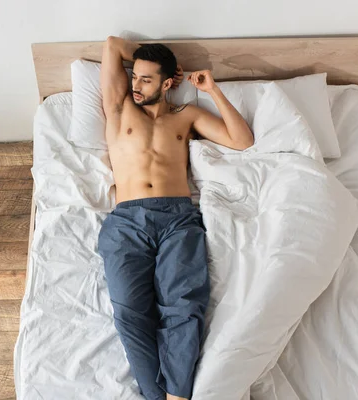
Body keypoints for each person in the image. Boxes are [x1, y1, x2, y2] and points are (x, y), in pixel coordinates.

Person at [97, 36, 254, 400]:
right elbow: (111, 45)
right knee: (129, 312)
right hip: (127, 221)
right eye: (134, 77)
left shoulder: (187, 116)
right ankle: (159, 396)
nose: (136, 86)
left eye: (146, 80)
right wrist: (144, 60)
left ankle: (177, 394)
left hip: (177, 219)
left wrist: (211, 90)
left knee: (183, 306)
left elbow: (242, 141)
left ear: (168, 83)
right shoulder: (120, 109)